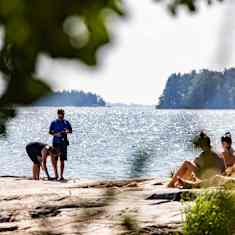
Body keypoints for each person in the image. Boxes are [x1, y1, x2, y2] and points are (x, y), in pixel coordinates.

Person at [49, 109, 72, 181]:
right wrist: (56, 134)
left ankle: (61, 176)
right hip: (56, 142)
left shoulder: (66, 122)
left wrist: (67, 131)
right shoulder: (54, 122)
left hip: (64, 143)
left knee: (62, 160)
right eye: (61, 114)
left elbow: (70, 131)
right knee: (55, 159)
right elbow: (50, 132)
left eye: (63, 114)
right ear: (58, 114)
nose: (62, 115)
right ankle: (56, 175)